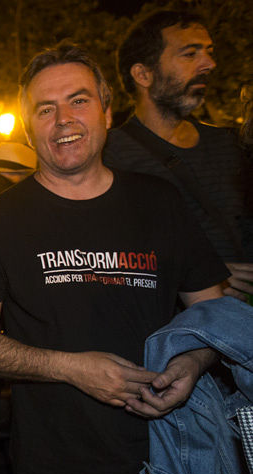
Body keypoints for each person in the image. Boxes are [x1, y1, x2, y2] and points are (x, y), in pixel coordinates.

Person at [0, 42, 228, 474]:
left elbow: (214, 312)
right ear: (30, 127)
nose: (64, 120)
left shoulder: (160, 202)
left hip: (170, 463)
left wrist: (194, 362)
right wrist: (70, 368)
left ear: (107, 110)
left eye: (78, 101)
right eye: (45, 108)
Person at [104, 9, 253, 300]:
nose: (209, 63)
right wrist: (200, 276)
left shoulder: (231, 145)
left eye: (209, 52)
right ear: (143, 74)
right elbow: (108, 257)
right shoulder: (110, 156)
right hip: (178, 331)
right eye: (190, 54)